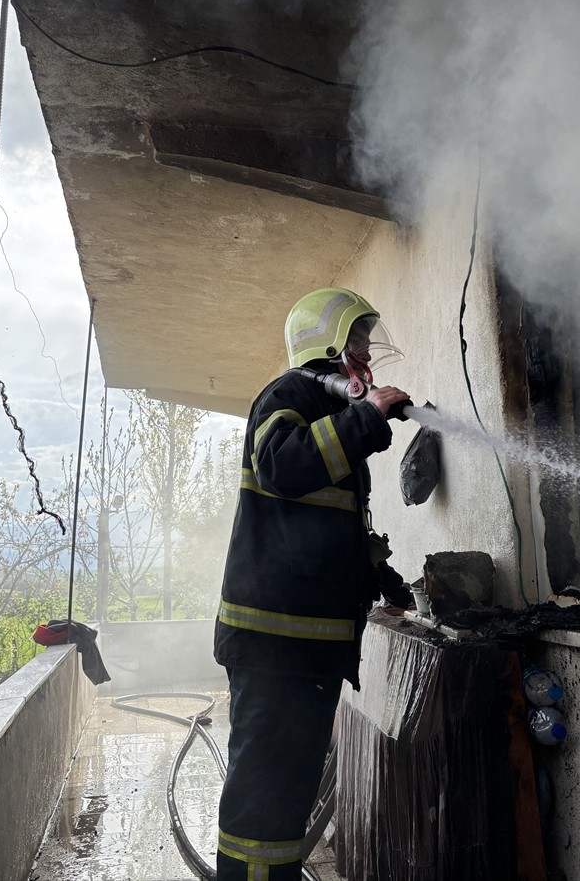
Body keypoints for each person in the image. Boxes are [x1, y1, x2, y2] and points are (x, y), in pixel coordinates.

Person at [214, 287, 413, 880]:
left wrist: (384, 579)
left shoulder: (331, 415)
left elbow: (326, 532)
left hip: (304, 655)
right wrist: (365, 418)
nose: (364, 353)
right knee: (261, 811)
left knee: (284, 806)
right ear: (325, 346)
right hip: (277, 649)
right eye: (355, 340)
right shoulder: (288, 395)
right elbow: (281, 465)